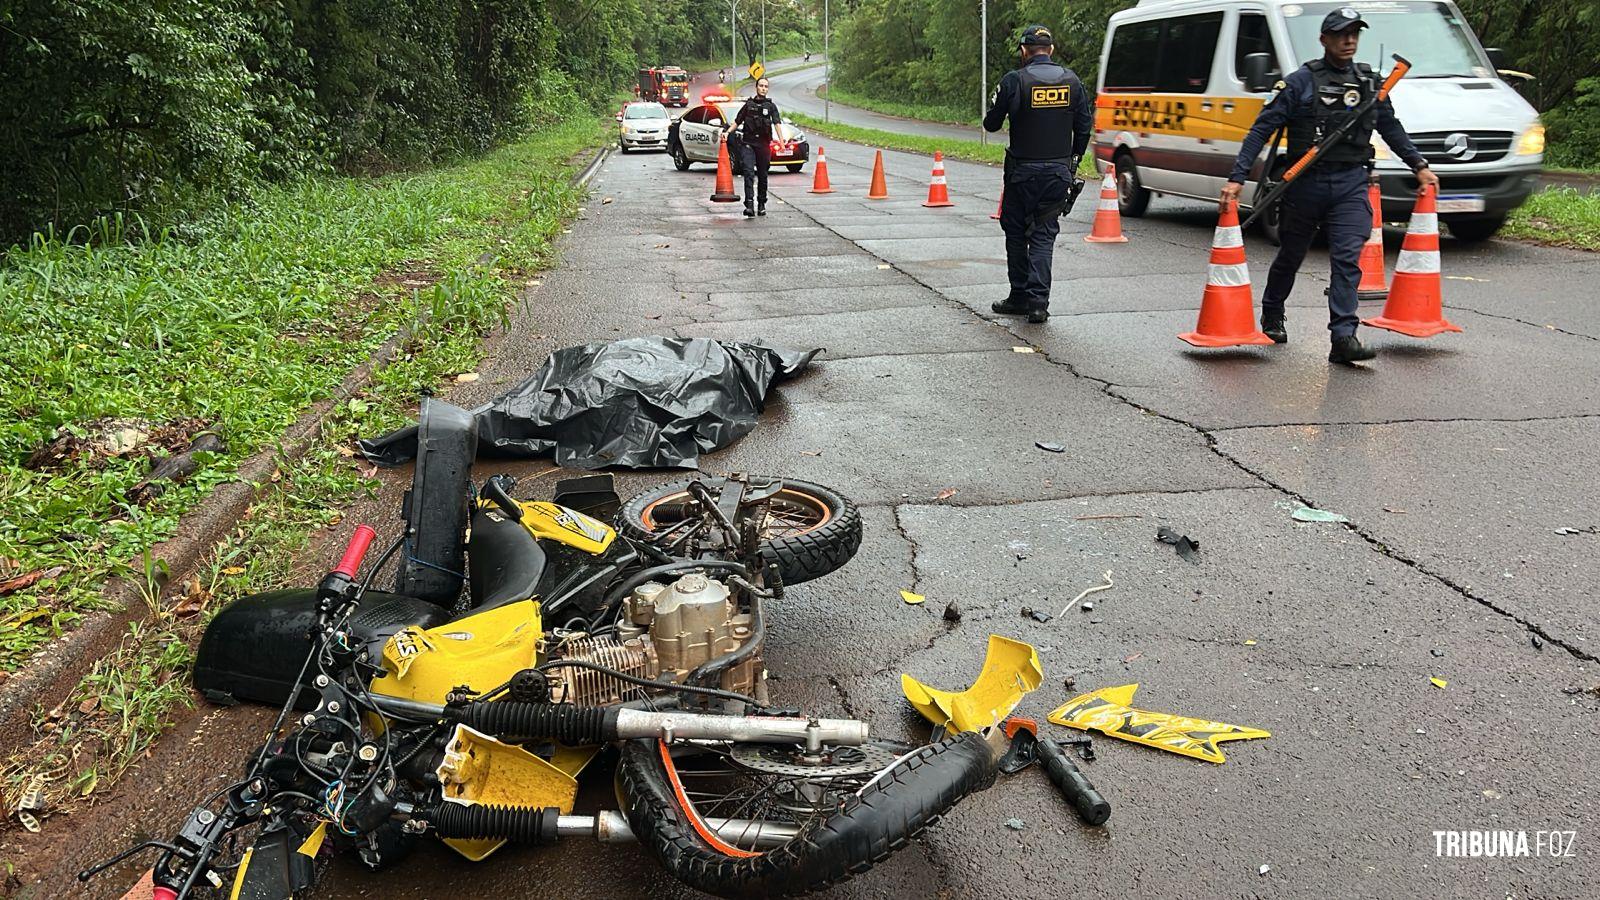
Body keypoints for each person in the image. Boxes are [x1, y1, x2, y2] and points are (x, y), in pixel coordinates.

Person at [1221, 6, 1439, 364]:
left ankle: (1343, 336)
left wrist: (1419, 165)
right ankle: (1273, 311)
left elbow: (1391, 128)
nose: (1349, 40)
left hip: (1352, 182)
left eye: (1354, 33)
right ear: (1324, 40)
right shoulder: (1299, 82)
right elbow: (1261, 129)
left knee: (1347, 259)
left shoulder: (1371, 83)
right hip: (1306, 183)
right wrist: (1237, 177)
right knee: (1291, 254)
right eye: (1341, 33)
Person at [983, 24, 1093, 324]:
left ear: (1023, 51)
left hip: (1022, 173)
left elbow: (990, 124)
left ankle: (1019, 295)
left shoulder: (1014, 81)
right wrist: (1073, 161)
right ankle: (1038, 304)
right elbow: (1084, 127)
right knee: (1044, 235)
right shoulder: (1072, 81)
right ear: (1051, 50)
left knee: (1016, 231)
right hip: (1058, 172)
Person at [727, 77, 781, 218]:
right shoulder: (748, 105)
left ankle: (761, 204)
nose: (763, 88)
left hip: (763, 145)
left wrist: (781, 141)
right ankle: (749, 205)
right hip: (748, 144)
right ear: (756, 87)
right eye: (761, 86)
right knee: (749, 173)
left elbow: (777, 123)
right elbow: (737, 121)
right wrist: (727, 133)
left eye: (765, 86)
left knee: (763, 175)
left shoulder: (771, 107)